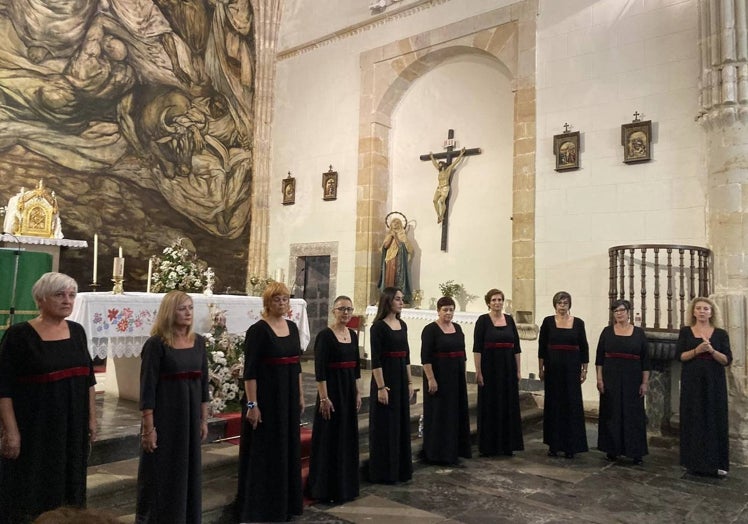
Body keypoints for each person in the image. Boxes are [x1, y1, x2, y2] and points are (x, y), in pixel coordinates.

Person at [0, 272, 96, 523]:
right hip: (36, 430)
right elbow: (4, 388)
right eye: (59, 295)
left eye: (71, 295)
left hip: (72, 429)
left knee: (70, 487)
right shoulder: (19, 335)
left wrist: (92, 420)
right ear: (40, 299)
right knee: (32, 489)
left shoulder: (77, 332)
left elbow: (88, 380)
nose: (67, 300)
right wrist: (11, 432)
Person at [136, 290, 209, 523]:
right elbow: (147, 389)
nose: (188, 313)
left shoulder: (199, 342)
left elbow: (203, 383)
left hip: (189, 420)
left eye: (190, 308)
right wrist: (149, 428)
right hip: (166, 420)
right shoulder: (156, 345)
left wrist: (203, 419)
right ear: (169, 312)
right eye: (182, 308)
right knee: (162, 473)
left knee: (187, 473)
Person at [236, 282, 304, 522]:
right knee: (266, 450)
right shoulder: (258, 330)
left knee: (286, 447)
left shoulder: (293, 328)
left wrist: (300, 394)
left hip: (288, 398)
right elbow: (250, 371)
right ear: (267, 302)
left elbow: (295, 365)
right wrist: (252, 405)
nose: (282, 303)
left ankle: (285, 503)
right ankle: (262, 505)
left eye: (285, 299)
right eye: (277, 299)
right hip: (266, 398)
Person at [306, 296, 363, 503]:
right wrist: (324, 398)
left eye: (349, 309)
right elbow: (320, 370)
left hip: (348, 392)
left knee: (346, 439)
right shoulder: (325, 336)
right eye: (341, 309)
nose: (346, 313)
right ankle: (325, 488)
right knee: (330, 439)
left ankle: (345, 486)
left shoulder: (353, 336)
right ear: (334, 311)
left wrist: (358, 392)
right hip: (331, 393)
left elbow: (356, 367)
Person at [677, 297, 731, 477]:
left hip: (714, 382)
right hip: (692, 381)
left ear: (711, 312)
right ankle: (692, 462)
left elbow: (727, 360)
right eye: (698, 308)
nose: (702, 311)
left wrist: (712, 351)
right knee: (693, 418)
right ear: (693, 312)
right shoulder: (685, 332)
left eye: (706, 309)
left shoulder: (721, 334)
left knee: (714, 418)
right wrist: (697, 350)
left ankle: (717, 463)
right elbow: (681, 356)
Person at [595, 299, 650, 465]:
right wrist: (599, 379)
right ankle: (612, 449)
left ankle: (635, 451)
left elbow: (645, 360)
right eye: (616, 311)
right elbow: (599, 358)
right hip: (611, 378)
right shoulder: (607, 332)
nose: (619, 313)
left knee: (633, 415)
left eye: (622, 310)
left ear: (628, 312)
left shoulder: (639, 333)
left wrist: (644, 382)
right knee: (611, 414)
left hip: (632, 379)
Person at [368, 287, 414, 483]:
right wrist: (381, 387)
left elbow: (407, 355)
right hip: (385, 379)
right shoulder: (377, 327)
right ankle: (384, 471)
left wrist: (411, 381)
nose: (401, 302)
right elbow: (376, 360)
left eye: (402, 299)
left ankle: (401, 469)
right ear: (388, 301)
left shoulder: (402, 325)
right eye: (397, 299)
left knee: (400, 423)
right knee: (386, 425)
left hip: (401, 379)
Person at [538, 291, 589, 459]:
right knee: (554, 405)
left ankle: (571, 446)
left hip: (571, 369)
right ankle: (554, 445)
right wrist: (541, 368)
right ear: (555, 304)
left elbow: (584, 347)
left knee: (571, 405)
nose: (562, 305)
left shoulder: (578, 323)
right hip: (553, 370)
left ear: (569, 304)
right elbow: (542, 347)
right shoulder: (547, 322)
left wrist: (584, 369)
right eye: (560, 302)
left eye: (565, 302)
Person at [420, 296, 471, 464]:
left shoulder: (457, 328)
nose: (448, 313)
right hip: (439, 378)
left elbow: (462, 355)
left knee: (454, 414)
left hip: (455, 378)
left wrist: (462, 377)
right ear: (438, 311)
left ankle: (453, 451)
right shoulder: (430, 330)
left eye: (451, 309)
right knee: (439, 415)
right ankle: (436, 453)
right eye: (445, 310)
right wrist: (431, 379)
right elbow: (425, 357)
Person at [473, 289, 523, 456]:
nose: (497, 302)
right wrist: (478, 371)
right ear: (488, 302)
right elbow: (477, 348)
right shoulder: (482, 321)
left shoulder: (509, 319)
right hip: (490, 369)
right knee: (490, 405)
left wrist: (518, 370)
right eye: (494, 300)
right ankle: (489, 446)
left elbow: (516, 347)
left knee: (508, 405)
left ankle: (507, 444)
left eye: (500, 299)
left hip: (508, 369)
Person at [377, 217, 413, 303]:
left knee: (397, 278)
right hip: (389, 260)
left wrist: (396, 236)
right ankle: (388, 296)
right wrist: (391, 236)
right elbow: (385, 247)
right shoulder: (388, 236)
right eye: (393, 225)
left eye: (397, 224)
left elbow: (403, 247)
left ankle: (397, 297)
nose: (395, 226)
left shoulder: (402, 235)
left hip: (398, 261)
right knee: (389, 278)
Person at [430, 147, 466, 223]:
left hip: (445, 188)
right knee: (434, 201)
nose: (438, 166)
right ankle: (439, 215)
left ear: (443, 165)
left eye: (440, 164)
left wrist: (461, 154)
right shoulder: (439, 171)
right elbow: (434, 163)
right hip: (439, 188)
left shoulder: (448, 170)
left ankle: (442, 216)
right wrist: (432, 157)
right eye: (438, 165)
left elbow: (455, 162)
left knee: (442, 201)